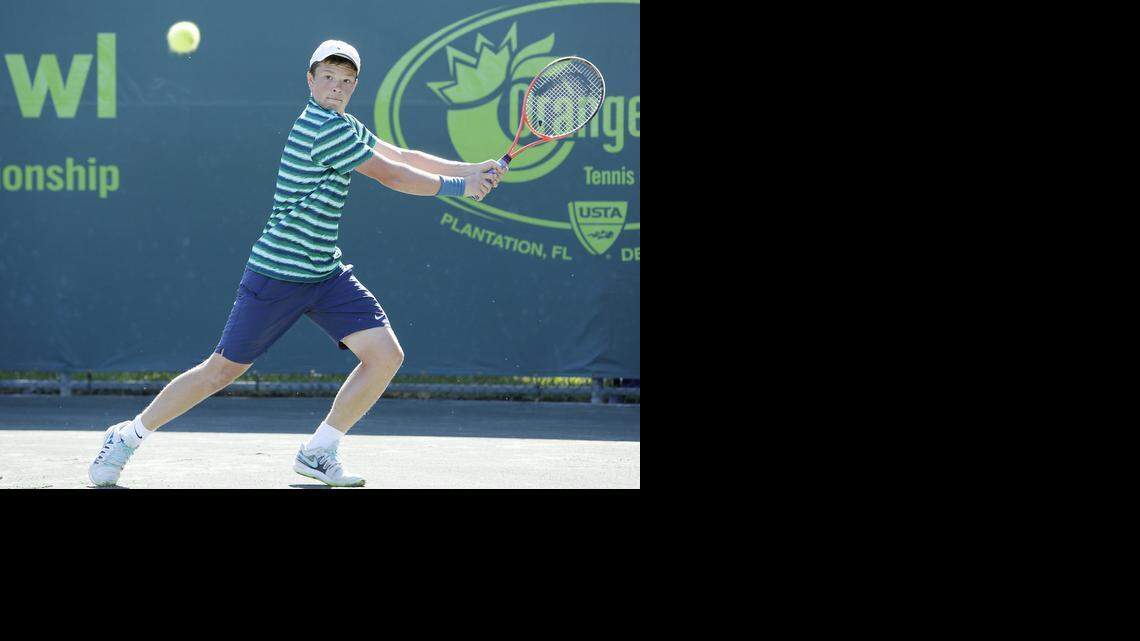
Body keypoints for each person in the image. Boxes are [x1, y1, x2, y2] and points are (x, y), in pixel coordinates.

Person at [88, 40, 505, 487]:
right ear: (310, 79)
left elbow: (404, 156)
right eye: (328, 77)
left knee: (385, 356)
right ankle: (128, 435)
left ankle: (319, 450)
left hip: (324, 273)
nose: (336, 86)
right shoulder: (322, 129)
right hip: (277, 273)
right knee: (220, 372)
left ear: (354, 86)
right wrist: (459, 189)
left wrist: (469, 169)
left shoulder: (345, 124)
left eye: (346, 81)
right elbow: (392, 176)